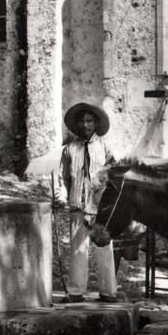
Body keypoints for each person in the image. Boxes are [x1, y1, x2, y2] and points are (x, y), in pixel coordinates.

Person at [55, 102, 118, 303]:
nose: (86, 124)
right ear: (78, 124)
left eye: (89, 120)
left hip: (100, 208)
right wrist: (61, 196)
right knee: (78, 249)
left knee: (104, 248)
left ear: (95, 123)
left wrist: (107, 194)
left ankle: (108, 292)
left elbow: (115, 174)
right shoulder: (69, 150)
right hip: (78, 206)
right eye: (82, 121)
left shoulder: (105, 148)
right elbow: (63, 177)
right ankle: (75, 292)